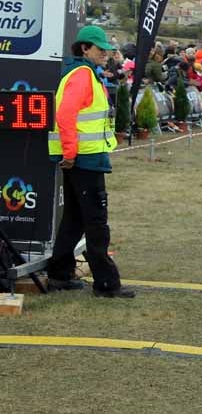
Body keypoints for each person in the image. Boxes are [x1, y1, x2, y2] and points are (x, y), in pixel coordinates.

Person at [47, 25, 135, 299]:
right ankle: (106, 284)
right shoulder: (82, 75)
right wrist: (71, 153)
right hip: (84, 160)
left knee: (74, 220)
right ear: (85, 48)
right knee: (96, 222)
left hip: (84, 159)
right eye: (100, 50)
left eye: (107, 51)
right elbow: (65, 115)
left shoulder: (83, 73)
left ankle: (59, 275)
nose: (106, 55)